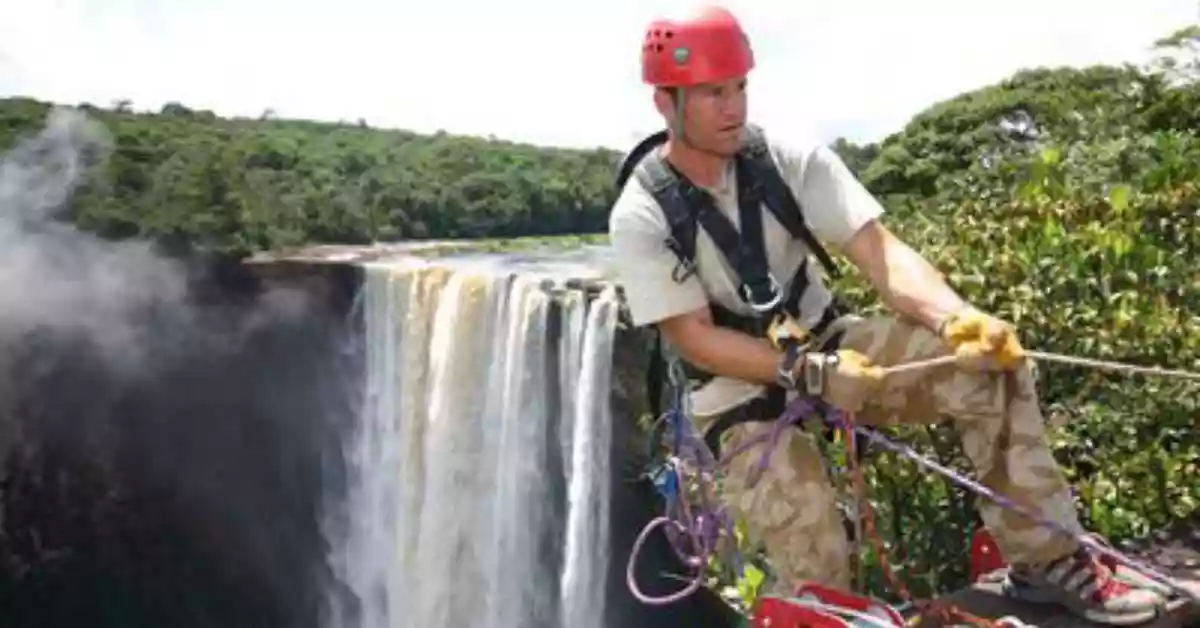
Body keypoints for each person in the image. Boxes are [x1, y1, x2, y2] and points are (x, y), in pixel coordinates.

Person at [607, 5, 1165, 626]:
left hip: (828, 339)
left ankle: (1047, 560)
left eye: (739, 86)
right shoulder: (643, 213)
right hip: (735, 389)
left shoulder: (784, 160)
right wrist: (811, 375)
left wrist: (958, 318)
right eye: (713, 93)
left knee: (986, 371)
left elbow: (882, 256)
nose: (734, 106)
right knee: (809, 529)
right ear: (666, 103)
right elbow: (695, 338)